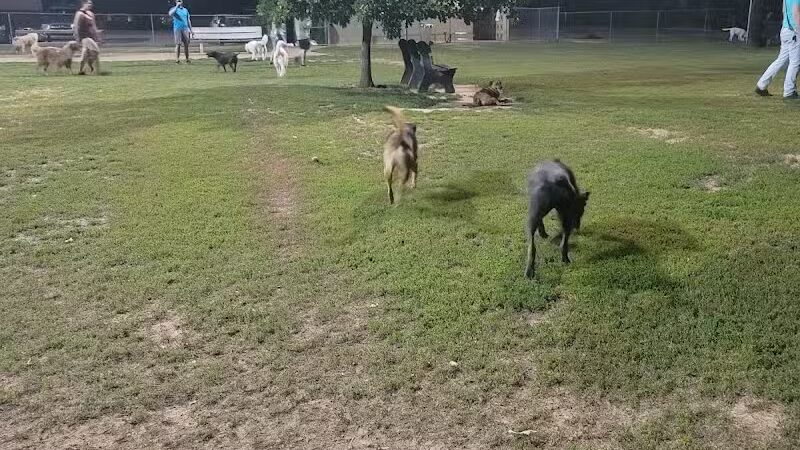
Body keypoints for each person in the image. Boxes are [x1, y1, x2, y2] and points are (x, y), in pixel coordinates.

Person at [755, 0, 800, 98]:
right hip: (794, 31)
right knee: (795, 62)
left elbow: (785, 11)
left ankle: (761, 85)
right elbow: (796, 12)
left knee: (781, 60)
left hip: (785, 30)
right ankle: (789, 91)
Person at [169, 0, 193, 64]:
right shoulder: (174, 9)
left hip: (185, 29)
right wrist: (177, 6)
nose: (179, 1)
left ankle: (187, 59)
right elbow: (170, 14)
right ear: (175, 1)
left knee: (186, 45)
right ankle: (177, 60)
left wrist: (191, 30)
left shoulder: (185, 10)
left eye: (180, 0)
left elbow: (188, 20)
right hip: (177, 29)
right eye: (177, 0)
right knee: (178, 44)